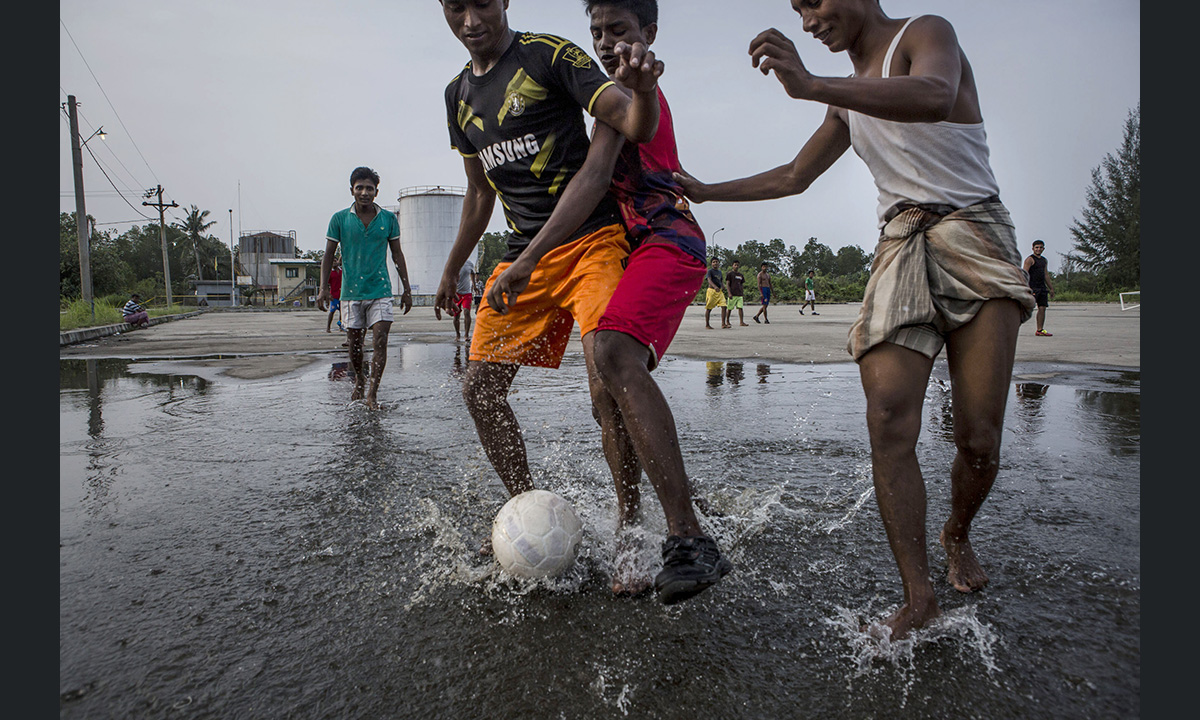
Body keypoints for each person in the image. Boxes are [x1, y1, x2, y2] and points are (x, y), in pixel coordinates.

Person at [674, 0, 1036, 638]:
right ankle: (919, 597)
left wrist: (812, 83)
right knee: (889, 416)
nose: (808, 21)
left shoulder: (924, 34)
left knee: (979, 438)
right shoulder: (844, 101)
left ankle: (957, 533)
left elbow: (933, 94)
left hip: (973, 231)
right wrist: (706, 191)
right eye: (797, 9)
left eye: (814, 2)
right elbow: (794, 176)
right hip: (900, 243)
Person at [436, 0, 728, 604]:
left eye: (482, 3)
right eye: (455, 6)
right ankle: (523, 512)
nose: (470, 20)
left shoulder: (549, 56)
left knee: (606, 384)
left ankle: (629, 527)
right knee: (480, 389)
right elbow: (477, 193)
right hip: (525, 255)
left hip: (594, 240)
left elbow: (627, 124)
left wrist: (641, 89)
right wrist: (450, 265)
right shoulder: (457, 96)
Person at [318, 166, 413, 409]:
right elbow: (328, 255)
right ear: (352, 190)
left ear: (376, 192)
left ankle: (372, 393)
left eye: (369, 188)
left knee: (380, 339)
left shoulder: (388, 219)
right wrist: (323, 288)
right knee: (355, 344)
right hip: (351, 293)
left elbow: (397, 254)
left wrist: (407, 289)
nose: (364, 192)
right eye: (359, 188)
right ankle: (360, 379)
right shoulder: (340, 219)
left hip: (380, 290)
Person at [1023, 240, 1054, 336]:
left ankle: (1039, 330)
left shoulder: (1044, 260)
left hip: (1042, 288)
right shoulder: (1030, 260)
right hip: (1032, 287)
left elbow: (1046, 275)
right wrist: (1025, 287)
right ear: (1033, 248)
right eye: (1036, 247)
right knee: (1025, 308)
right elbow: (1024, 274)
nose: (1038, 249)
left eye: (1040, 247)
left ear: (1043, 248)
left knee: (1042, 308)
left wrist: (1051, 288)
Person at [450, 257, 477, 341]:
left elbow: (473, 273)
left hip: (467, 293)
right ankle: (458, 334)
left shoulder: (469, 264)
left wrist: (474, 285)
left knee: (467, 312)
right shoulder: (454, 263)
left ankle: (466, 334)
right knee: (456, 315)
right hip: (456, 293)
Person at [704, 255, 729, 329]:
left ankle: (723, 324)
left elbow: (720, 280)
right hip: (711, 291)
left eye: (716, 262)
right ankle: (707, 324)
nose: (715, 263)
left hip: (719, 291)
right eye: (713, 262)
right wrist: (714, 286)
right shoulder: (710, 271)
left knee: (724, 306)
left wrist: (723, 286)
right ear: (711, 263)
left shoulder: (719, 272)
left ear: (719, 263)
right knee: (709, 308)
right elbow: (709, 280)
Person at [725, 258, 749, 326]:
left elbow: (741, 284)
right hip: (732, 294)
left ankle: (741, 322)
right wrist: (729, 293)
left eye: (737, 265)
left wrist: (742, 293)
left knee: (740, 308)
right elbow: (727, 284)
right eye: (735, 265)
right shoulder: (730, 274)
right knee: (729, 308)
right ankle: (727, 321)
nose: (736, 266)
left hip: (739, 294)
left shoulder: (740, 275)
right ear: (732, 266)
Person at [325, 255, 345, 333]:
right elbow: (327, 284)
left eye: (335, 261)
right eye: (332, 261)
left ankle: (341, 326)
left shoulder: (342, 271)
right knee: (332, 311)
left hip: (342, 294)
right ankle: (328, 327)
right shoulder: (330, 273)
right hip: (334, 295)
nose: (334, 263)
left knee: (342, 312)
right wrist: (328, 295)